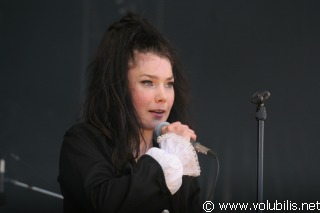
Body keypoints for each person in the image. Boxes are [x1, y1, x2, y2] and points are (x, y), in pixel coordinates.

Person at [58, 12, 202, 213]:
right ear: (118, 87)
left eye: (169, 84)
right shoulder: (82, 142)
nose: (163, 97)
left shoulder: (174, 151)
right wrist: (165, 161)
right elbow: (104, 203)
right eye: (148, 82)